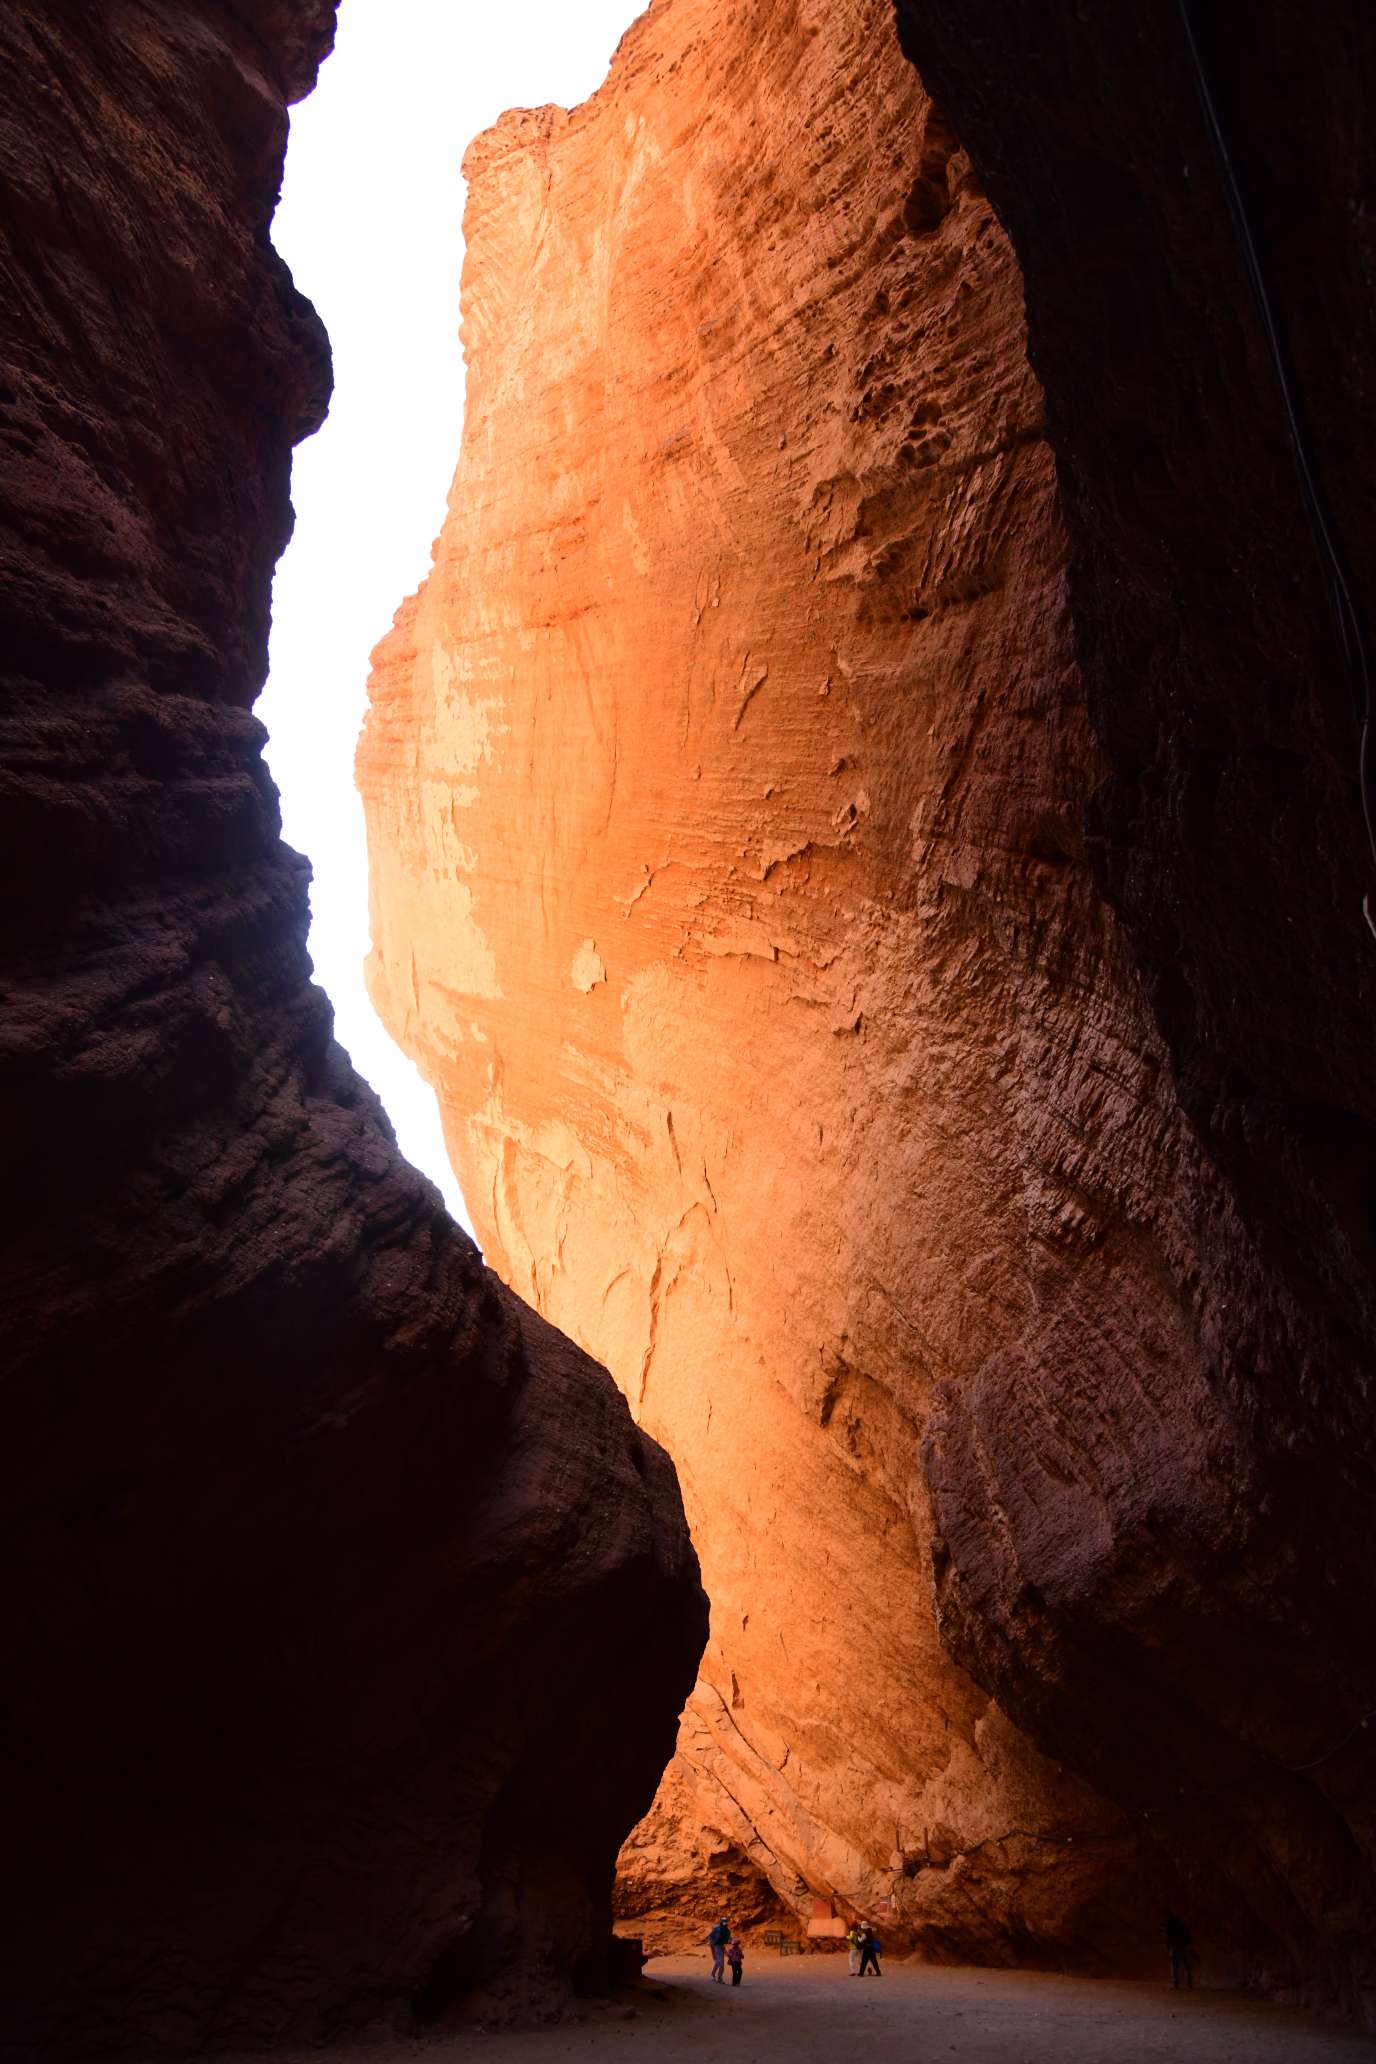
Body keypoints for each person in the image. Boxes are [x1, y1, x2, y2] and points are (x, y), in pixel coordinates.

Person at [1164, 1911, 1194, 1990]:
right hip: (1183, 1947)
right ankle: (1190, 1983)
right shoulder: (1182, 1925)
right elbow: (1188, 1936)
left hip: (1176, 1947)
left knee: (1175, 1967)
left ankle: (1176, 1984)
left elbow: (1168, 1937)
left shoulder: (1171, 1925)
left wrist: (1169, 1947)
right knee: (1187, 1966)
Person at [707, 1915, 731, 1983]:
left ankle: (713, 1974)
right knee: (721, 1964)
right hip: (716, 1946)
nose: (725, 1923)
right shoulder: (717, 1929)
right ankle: (719, 1978)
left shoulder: (725, 1929)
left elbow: (726, 1939)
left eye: (726, 1922)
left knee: (718, 1962)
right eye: (724, 1922)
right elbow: (711, 1937)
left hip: (719, 1946)